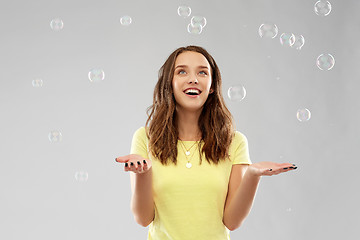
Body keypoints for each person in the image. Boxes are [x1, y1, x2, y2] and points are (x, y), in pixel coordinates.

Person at [115, 45, 297, 240]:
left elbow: (232, 221)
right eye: (182, 71)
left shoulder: (234, 141)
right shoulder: (146, 137)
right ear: (169, 83)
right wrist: (143, 172)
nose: (193, 79)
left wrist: (252, 175)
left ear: (211, 87)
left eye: (202, 72)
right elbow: (143, 218)